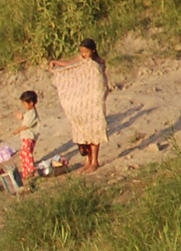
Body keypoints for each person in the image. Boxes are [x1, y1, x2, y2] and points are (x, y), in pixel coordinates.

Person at [49, 38, 110, 172]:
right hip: (84, 98)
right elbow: (70, 65)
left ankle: (95, 161)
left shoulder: (98, 62)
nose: (84, 55)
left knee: (94, 127)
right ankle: (87, 161)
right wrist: (55, 63)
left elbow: (101, 80)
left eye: (86, 52)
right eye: (82, 52)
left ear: (93, 51)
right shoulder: (82, 60)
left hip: (94, 97)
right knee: (83, 129)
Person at [16, 90, 40, 181]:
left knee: (27, 152)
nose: (24, 106)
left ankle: (30, 169)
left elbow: (26, 125)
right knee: (23, 153)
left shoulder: (33, 113)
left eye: (24, 104)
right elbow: (26, 121)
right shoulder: (29, 113)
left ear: (31, 103)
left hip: (29, 137)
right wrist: (21, 118)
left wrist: (18, 130)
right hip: (26, 137)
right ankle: (25, 171)